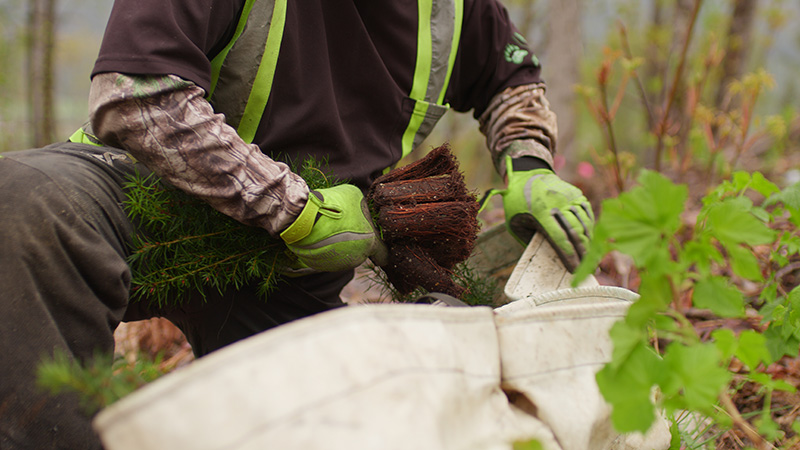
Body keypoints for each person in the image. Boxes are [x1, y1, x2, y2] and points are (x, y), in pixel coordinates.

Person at [0, 0, 594, 448]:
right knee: (27, 201)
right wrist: (294, 209)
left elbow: (510, 78)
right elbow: (135, 95)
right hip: (138, 196)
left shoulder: (453, 10)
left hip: (293, 265)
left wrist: (531, 166)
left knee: (366, 410)